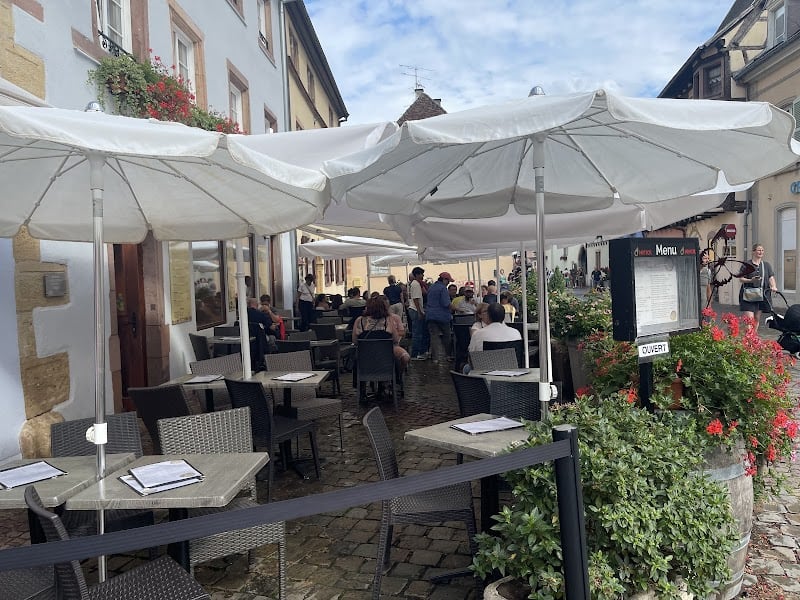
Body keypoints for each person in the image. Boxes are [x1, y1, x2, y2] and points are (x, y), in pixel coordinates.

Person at [352, 296, 410, 370]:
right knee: (405, 357)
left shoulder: (359, 320)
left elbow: (354, 340)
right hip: (385, 354)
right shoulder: (388, 320)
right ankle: (398, 376)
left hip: (365, 355)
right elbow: (395, 339)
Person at [738, 242, 777, 332]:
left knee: (756, 318)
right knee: (750, 320)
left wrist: (774, 286)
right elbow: (741, 278)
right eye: (759, 250)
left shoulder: (766, 265)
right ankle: (749, 339)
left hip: (761, 295)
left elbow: (771, 277)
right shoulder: (747, 264)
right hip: (748, 295)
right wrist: (751, 280)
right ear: (753, 252)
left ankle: (753, 339)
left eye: (762, 250)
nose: (761, 252)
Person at [426, 272, 454, 363]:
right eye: (448, 281)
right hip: (442, 316)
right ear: (444, 280)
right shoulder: (443, 289)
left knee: (434, 337)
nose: (448, 283)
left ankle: (435, 358)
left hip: (430, 315)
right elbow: (446, 303)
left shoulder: (431, 287)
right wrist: (458, 308)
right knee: (447, 336)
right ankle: (448, 355)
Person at [408, 267, 430, 360]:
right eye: (421, 274)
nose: (423, 276)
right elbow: (416, 299)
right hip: (415, 310)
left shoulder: (413, 284)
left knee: (418, 332)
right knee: (418, 333)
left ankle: (417, 352)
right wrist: (420, 312)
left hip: (413, 309)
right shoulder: (416, 284)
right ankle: (415, 354)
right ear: (417, 275)